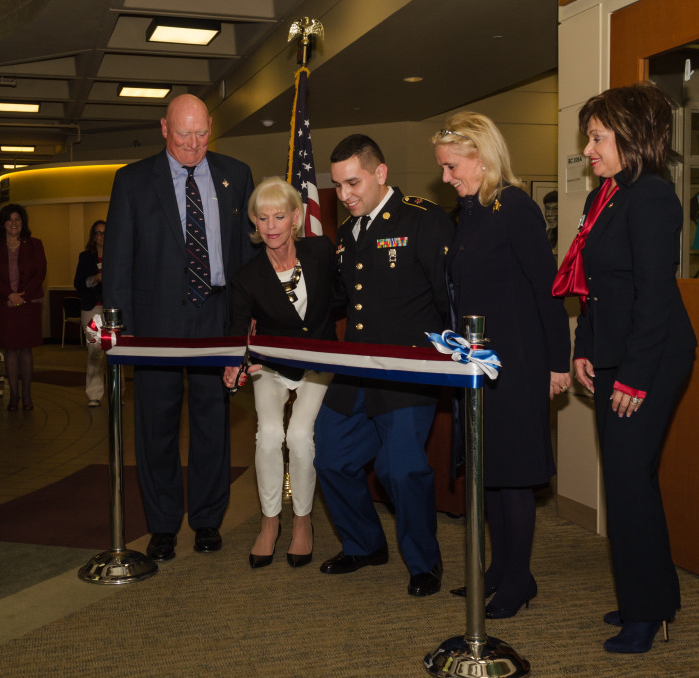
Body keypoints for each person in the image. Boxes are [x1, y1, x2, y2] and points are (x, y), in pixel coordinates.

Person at [553, 81, 697, 653]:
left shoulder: (654, 198)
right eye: (588, 138)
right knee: (629, 481)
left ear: (632, 135)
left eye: (596, 137)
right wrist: (583, 347)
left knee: (628, 482)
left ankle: (646, 612)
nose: (587, 150)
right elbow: (595, 289)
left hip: (653, 357)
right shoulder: (604, 196)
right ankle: (655, 597)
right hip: (614, 351)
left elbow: (654, 297)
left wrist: (633, 376)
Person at [103, 94, 257, 561]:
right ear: (164, 129)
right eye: (184, 134)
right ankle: (163, 524)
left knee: (213, 423)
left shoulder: (236, 174)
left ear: (211, 127)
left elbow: (245, 259)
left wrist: (246, 327)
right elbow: (118, 261)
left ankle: (208, 519)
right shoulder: (131, 181)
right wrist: (120, 328)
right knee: (157, 426)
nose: (193, 145)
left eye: (202, 133)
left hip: (216, 316)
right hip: (156, 323)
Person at [432, 113, 571, 618]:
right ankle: (497, 569)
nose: (446, 177)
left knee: (512, 476)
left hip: (518, 363)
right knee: (488, 473)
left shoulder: (516, 208)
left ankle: (519, 580)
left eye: (451, 167)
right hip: (478, 364)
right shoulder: (470, 210)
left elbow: (547, 290)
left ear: (480, 157)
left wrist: (559, 362)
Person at [314, 134, 453, 597]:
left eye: (353, 182)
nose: (345, 195)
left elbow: (446, 296)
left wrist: (450, 358)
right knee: (331, 454)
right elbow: (343, 299)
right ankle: (363, 543)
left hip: (406, 369)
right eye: (337, 186)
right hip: (356, 368)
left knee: (401, 469)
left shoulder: (422, 219)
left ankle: (423, 563)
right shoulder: (349, 232)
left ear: (381, 173)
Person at [222, 177, 336, 569]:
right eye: (263, 217)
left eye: (280, 216)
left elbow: (348, 296)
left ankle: (302, 522)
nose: (271, 225)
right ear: (255, 222)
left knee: (301, 436)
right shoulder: (247, 277)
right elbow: (238, 326)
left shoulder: (321, 251)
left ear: (296, 218)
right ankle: (270, 521)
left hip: (318, 364)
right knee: (270, 434)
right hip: (269, 366)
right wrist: (232, 364)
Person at [0, 204, 47, 411]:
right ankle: (14, 396)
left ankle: (27, 396)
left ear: (23, 223)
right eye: (10, 219)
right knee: (10, 351)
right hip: (3, 305)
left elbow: (40, 273)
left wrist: (20, 296)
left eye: (18, 219)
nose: (14, 223)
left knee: (26, 350)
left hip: (27, 304)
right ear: (3, 223)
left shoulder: (35, 244)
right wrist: (8, 295)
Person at [73, 220, 107, 407]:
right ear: (93, 237)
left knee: (114, 350)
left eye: (104, 233)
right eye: (98, 233)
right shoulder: (85, 257)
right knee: (95, 350)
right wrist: (94, 279)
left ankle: (116, 391)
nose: (101, 237)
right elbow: (77, 283)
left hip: (112, 310)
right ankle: (94, 394)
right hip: (92, 309)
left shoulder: (117, 255)